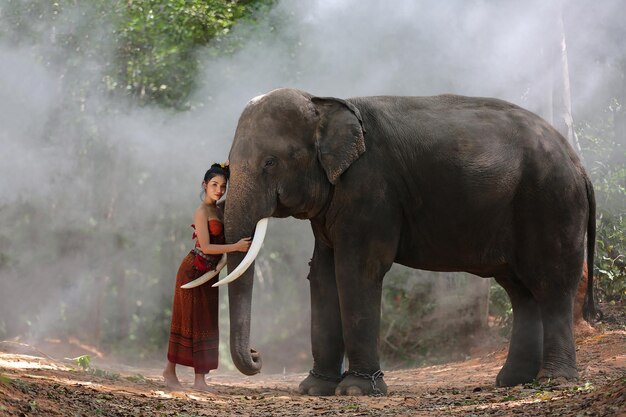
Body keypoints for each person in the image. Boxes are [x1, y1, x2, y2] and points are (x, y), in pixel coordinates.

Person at [163, 162, 251, 391]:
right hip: (193, 271)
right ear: (204, 185)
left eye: (223, 185)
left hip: (209, 274)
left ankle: (200, 379)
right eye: (214, 185)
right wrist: (236, 247)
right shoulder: (201, 211)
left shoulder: (220, 208)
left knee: (206, 322)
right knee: (187, 321)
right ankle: (169, 371)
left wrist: (232, 163)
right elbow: (207, 246)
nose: (219, 190)